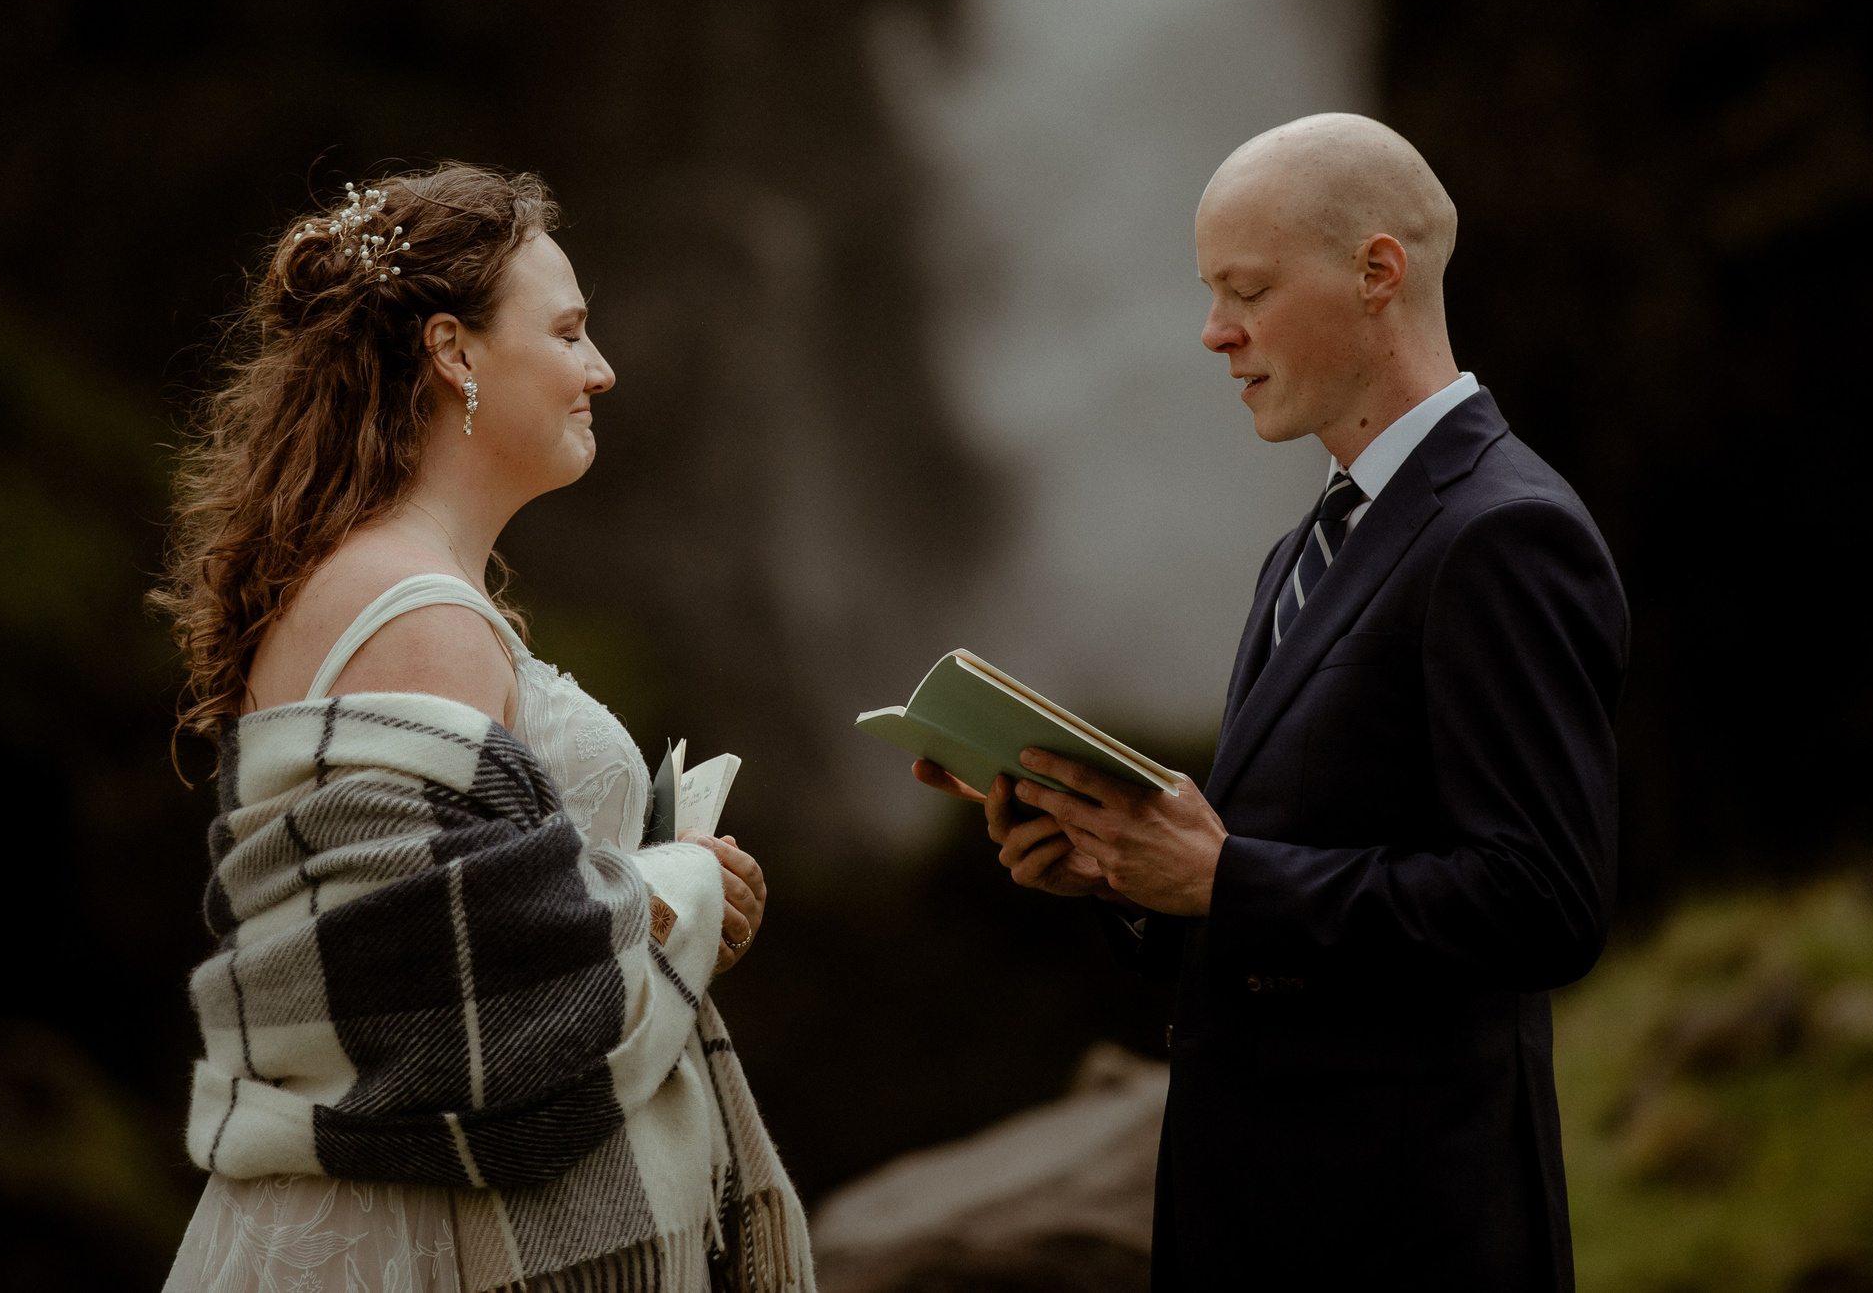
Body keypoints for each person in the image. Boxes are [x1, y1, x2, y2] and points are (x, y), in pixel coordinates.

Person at [914, 114, 1624, 1290]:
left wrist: (1221, 877)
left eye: (1242, 289)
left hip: (1407, 1236)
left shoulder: (1506, 532)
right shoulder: (1305, 545)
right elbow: (1270, 867)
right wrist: (1120, 867)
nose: (1211, 332)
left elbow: (1541, 903)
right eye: (1208, 293)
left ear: (1376, 272)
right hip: (1253, 1221)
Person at [153, 166, 813, 1293]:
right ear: (455, 352)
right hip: (418, 1242)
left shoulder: (383, 585)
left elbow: (432, 930)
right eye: (567, 331)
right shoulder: (419, 619)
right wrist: (679, 889)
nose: (600, 368)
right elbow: (465, 1002)